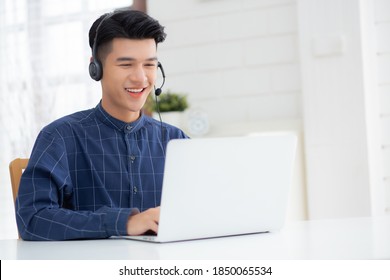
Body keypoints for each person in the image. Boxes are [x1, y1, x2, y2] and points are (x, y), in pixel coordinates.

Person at [15, 9, 188, 241]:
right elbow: (33, 219)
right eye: (126, 65)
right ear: (95, 68)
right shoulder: (60, 137)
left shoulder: (176, 141)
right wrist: (124, 222)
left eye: (149, 65)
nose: (140, 78)